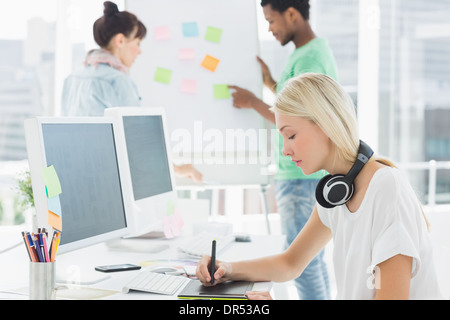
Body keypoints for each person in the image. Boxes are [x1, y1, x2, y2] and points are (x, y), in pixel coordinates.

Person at [197, 73, 443, 300]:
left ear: (326, 125)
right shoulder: (335, 193)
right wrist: (227, 269)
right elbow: (290, 263)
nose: (285, 149)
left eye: (291, 135)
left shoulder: (386, 187)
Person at [229, 0, 337, 299]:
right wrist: (272, 84)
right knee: (312, 260)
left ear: (292, 14)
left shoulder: (309, 59)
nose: (269, 28)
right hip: (303, 173)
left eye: (271, 20)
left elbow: (298, 118)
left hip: (299, 176)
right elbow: (299, 106)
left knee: (301, 262)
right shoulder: (308, 54)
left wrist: (252, 101)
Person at [61, 1, 202, 183]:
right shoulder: (117, 81)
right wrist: (179, 169)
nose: (139, 51)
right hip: (107, 179)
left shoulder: (73, 77)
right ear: (120, 40)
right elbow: (138, 141)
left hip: (76, 177)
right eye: (137, 42)